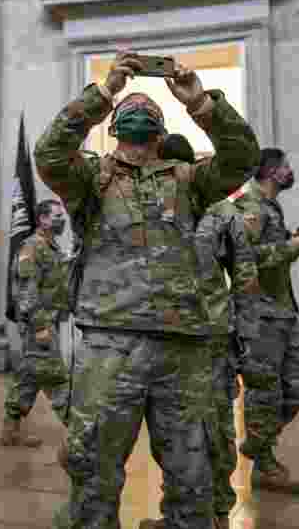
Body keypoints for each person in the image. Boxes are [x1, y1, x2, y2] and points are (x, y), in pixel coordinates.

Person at [35, 51, 259, 529]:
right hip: (110, 345)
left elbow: (242, 158)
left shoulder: (191, 179)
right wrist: (104, 92)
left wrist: (199, 103)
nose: (139, 114)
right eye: (128, 111)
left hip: (184, 350)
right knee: (93, 469)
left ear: (159, 131)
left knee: (192, 475)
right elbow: (50, 154)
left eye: (149, 111)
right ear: (115, 127)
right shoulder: (90, 178)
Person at [141, 133, 262, 529]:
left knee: (201, 429)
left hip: (198, 337)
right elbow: (246, 278)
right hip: (188, 335)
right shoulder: (203, 209)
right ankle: (189, 513)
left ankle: (211, 514)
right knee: (186, 429)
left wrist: (243, 338)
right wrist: (246, 337)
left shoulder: (213, 211)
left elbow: (243, 276)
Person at [235, 148, 299, 495]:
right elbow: (244, 258)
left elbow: (270, 257)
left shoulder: (271, 207)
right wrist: (291, 247)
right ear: (270, 171)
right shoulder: (251, 205)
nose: (290, 171)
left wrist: (290, 244)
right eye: (285, 166)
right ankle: (264, 464)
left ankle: (257, 440)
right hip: (259, 314)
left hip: (282, 310)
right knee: (265, 389)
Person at [1, 198, 72, 448]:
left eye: (62, 215)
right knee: (55, 375)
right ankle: (78, 431)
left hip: (47, 320)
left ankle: (10, 430)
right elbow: (26, 290)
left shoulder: (51, 247)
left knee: (29, 376)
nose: (61, 219)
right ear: (42, 219)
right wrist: (40, 325)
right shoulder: (32, 247)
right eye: (56, 215)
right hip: (38, 323)